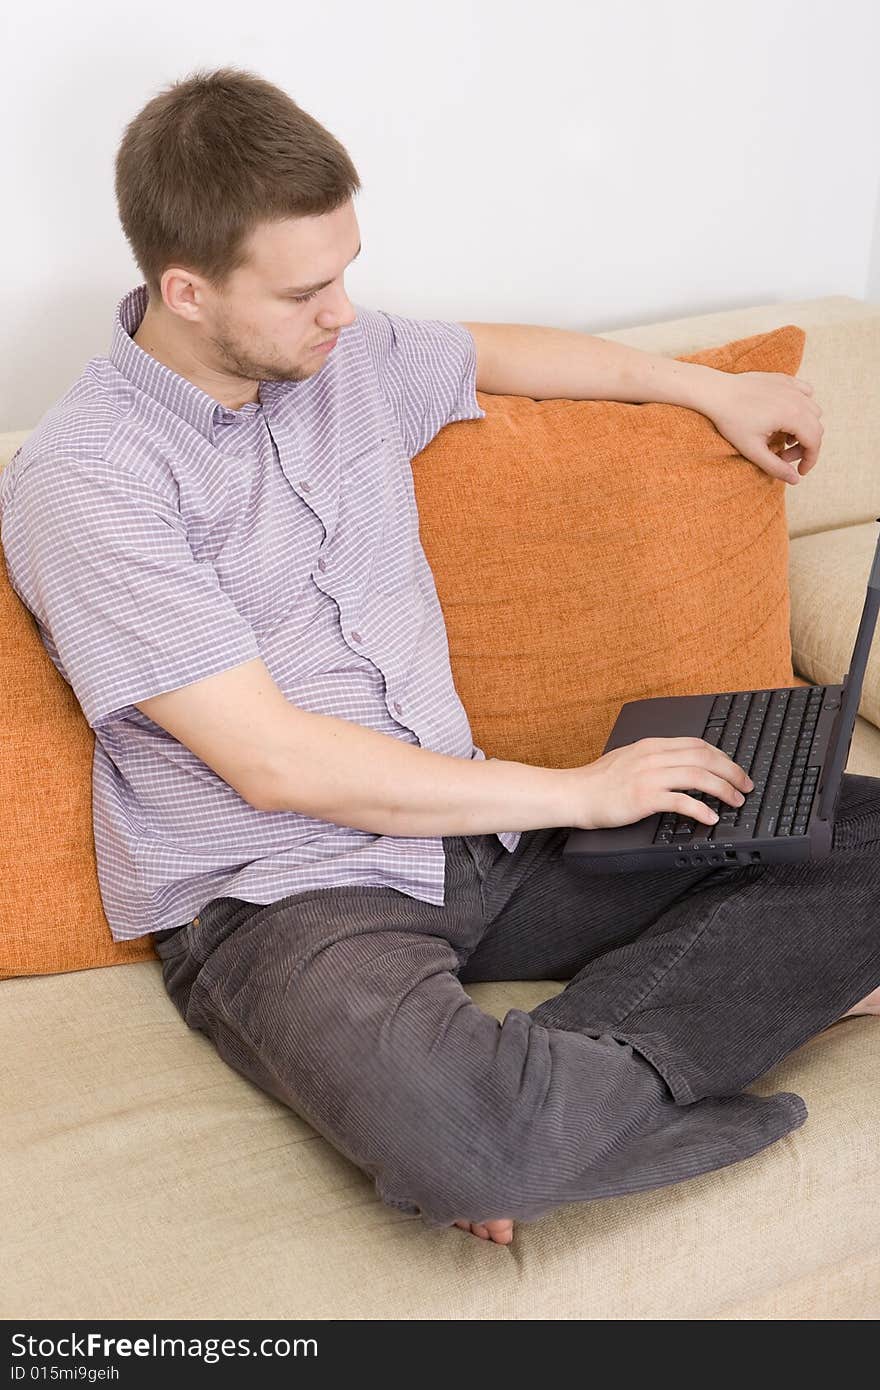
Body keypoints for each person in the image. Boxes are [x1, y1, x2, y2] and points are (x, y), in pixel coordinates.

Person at [2, 67, 877, 1249]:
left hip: (483, 836)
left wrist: (703, 387)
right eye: (309, 289)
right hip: (286, 896)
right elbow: (271, 764)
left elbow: (495, 354)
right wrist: (580, 789)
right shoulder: (87, 481)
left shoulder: (340, 361)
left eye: (348, 271)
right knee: (475, 1145)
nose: (344, 311)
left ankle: (552, 1102)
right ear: (186, 290)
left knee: (862, 831)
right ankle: (542, 1122)